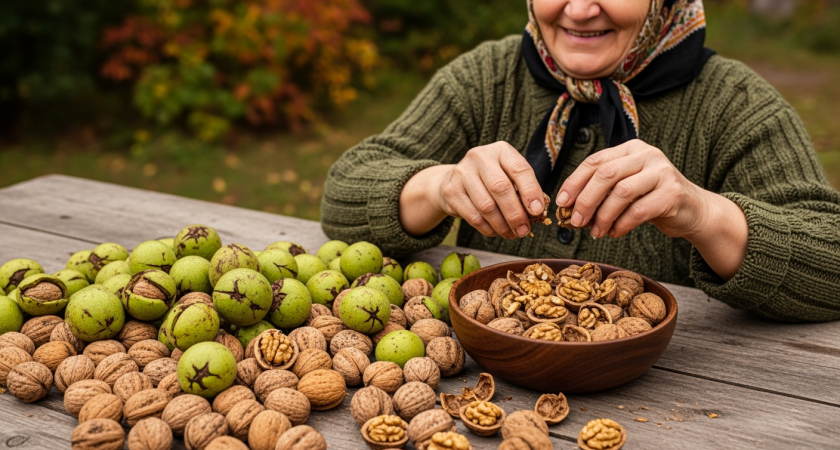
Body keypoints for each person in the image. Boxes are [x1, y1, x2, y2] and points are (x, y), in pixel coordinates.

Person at [321, 0, 840, 322]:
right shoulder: (485, 78)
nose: (579, 8)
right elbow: (342, 195)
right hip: (488, 386)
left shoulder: (737, 105)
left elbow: (831, 263)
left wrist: (702, 215)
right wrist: (438, 186)